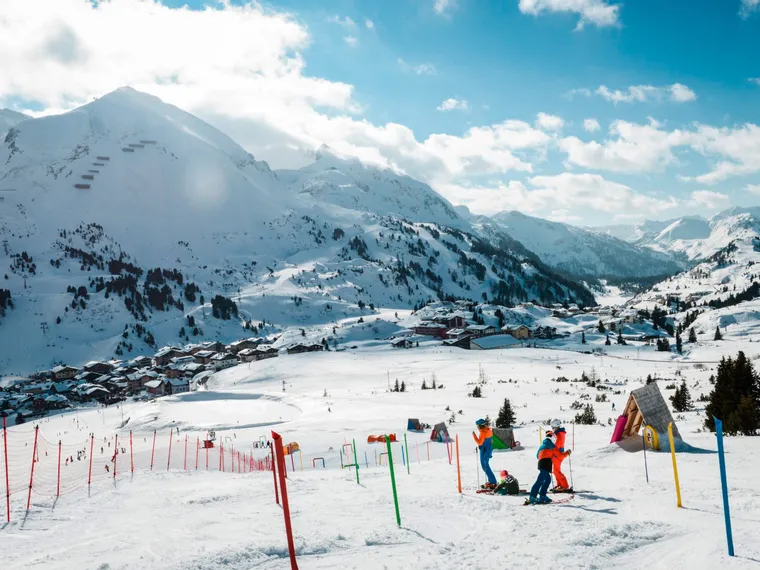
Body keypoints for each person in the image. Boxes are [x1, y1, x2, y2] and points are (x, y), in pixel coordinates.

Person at [529, 430, 571, 504]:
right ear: (552, 438)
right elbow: (560, 455)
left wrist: (545, 455)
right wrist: (567, 453)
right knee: (540, 481)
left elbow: (537, 455)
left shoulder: (542, 445)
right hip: (546, 464)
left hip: (541, 463)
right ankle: (532, 496)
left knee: (547, 480)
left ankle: (542, 496)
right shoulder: (552, 445)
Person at [472, 418, 496, 489]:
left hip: (484, 451)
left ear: (480, 426)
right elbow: (491, 441)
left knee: (485, 466)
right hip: (487, 450)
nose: (477, 427)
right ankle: (491, 481)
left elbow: (480, 442)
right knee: (486, 466)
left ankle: (493, 482)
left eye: (478, 426)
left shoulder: (483, 433)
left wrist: (474, 435)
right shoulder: (488, 430)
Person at [550, 419, 571, 491]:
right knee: (555, 470)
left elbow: (556, 445)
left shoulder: (559, 434)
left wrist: (552, 451)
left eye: (553, 427)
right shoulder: (559, 433)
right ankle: (560, 485)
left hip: (557, 454)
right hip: (558, 453)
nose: (552, 429)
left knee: (556, 471)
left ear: (555, 426)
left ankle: (565, 486)